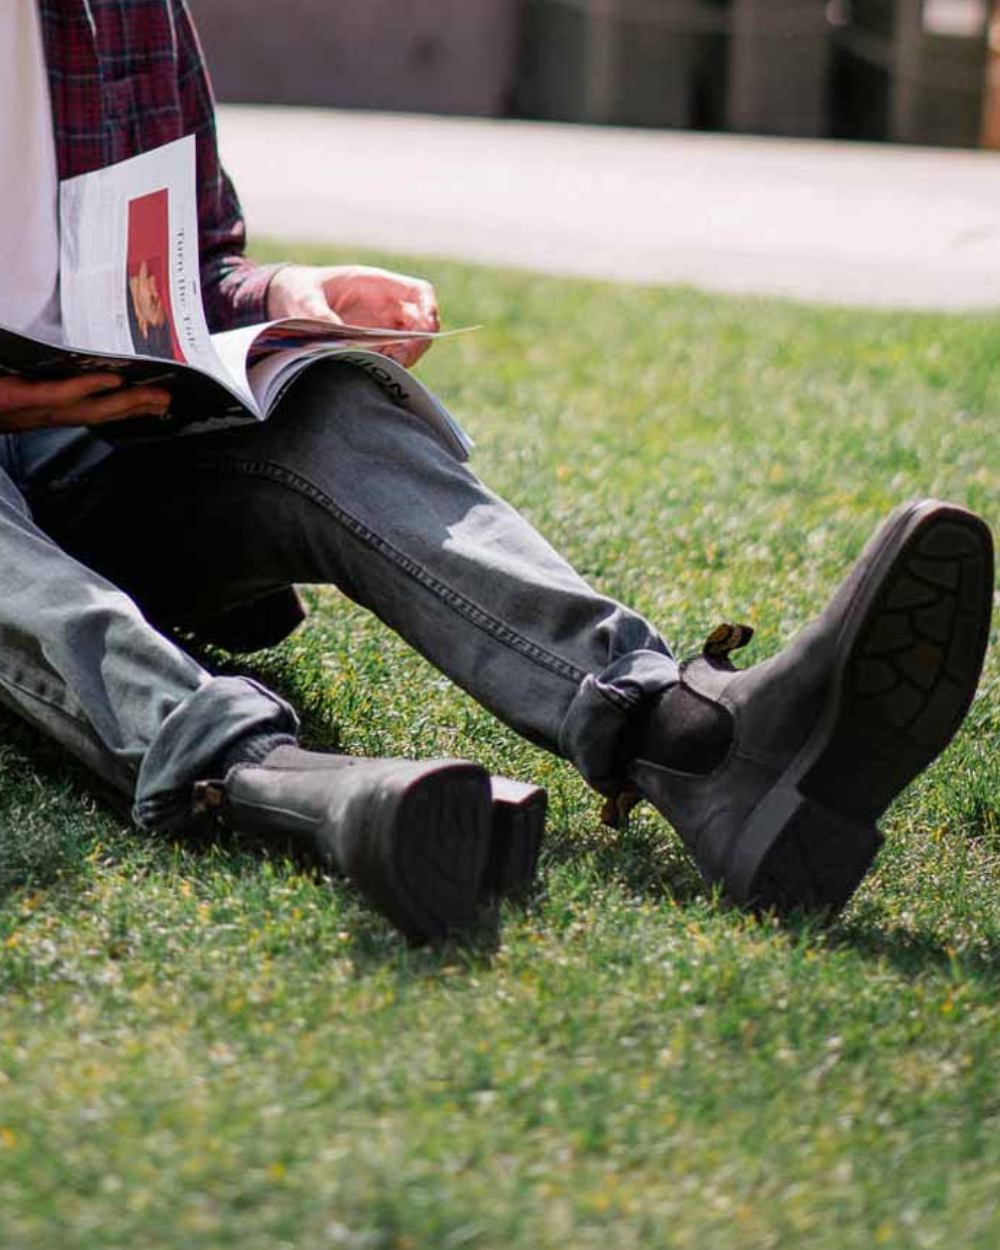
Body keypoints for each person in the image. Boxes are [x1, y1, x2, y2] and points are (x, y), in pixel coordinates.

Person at [0, 1, 993, 944]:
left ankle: (690, 736)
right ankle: (269, 778)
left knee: (328, 409)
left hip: (108, 462)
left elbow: (188, 262)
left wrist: (293, 293)